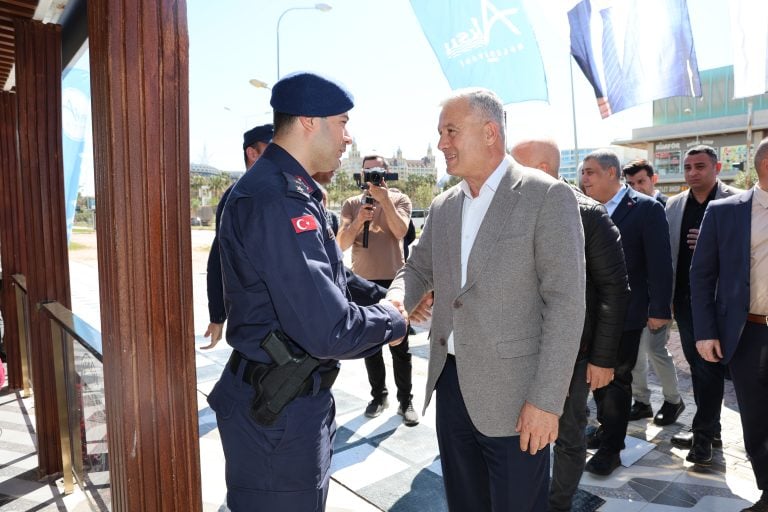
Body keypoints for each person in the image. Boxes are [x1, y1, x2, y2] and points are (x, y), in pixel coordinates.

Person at [209, 71, 408, 511]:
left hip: (288, 404)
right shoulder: (277, 197)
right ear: (308, 121)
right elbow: (329, 328)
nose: (348, 138)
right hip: (276, 414)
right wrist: (394, 319)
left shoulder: (293, 189)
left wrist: (386, 299)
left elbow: (328, 276)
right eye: (342, 122)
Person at [388, 88, 586, 511]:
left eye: (450, 131)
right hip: (451, 385)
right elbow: (417, 268)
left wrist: (547, 401)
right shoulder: (443, 206)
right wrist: (396, 303)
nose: (442, 143)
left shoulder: (546, 196)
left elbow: (566, 304)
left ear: (490, 132)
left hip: (518, 398)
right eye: (441, 133)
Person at [511, 138, 629, 511]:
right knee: (521, 427)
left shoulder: (589, 215)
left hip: (573, 352)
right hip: (517, 349)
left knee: (569, 432)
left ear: (542, 170)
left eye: (514, 165)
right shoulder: (509, 209)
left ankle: (557, 503)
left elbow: (613, 289)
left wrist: (603, 358)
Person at [581, 149, 673, 476]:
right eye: (583, 173)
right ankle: (607, 427)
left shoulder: (645, 209)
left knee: (617, 379)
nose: (584, 178)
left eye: (590, 172)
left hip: (628, 313)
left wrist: (660, 308)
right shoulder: (585, 209)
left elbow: (660, 263)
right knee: (598, 378)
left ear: (611, 173)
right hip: (590, 313)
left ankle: (612, 449)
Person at [691, 137, 768, 512]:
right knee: (756, 419)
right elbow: (702, 276)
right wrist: (706, 332)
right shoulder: (725, 213)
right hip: (749, 334)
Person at [665, 144, 740, 465]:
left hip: (721, 303)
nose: (693, 173)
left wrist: (714, 245)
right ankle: (713, 429)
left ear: (717, 168)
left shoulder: (736, 202)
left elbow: (747, 255)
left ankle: (703, 438)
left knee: (708, 369)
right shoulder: (673, 205)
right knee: (699, 369)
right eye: (687, 167)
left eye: (700, 166)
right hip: (684, 301)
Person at [338, 156, 418, 426]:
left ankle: (406, 401)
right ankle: (378, 396)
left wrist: (384, 200)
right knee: (370, 345)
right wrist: (359, 219)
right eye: (368, 171)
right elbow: (341, 244)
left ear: (387, 173)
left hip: (394, 283)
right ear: (360, 174)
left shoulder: (400, 199)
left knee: (400, 346)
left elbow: (400, 231)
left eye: (378, 171)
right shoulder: (352, 203)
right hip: (362, 283)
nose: (373, 176)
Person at [622, 159, 685, 426]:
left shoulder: (667, 207)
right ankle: (642, 401)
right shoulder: (629, 207)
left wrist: (664, 303)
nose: (636, 187)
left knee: (656, 350)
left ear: (653, 179)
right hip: (634, 299)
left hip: (660, 298)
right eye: (631, 183)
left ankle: (673, 401)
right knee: (634, 353)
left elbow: (667, 260)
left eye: (641, 182)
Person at [202, 123, 273, 349]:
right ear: (252, 153)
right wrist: (217, 316)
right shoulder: (238, 195)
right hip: (255, 318)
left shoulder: (284, 190)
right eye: (273, 148)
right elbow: (219, 256)